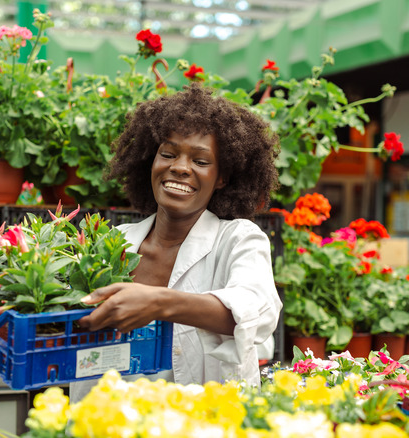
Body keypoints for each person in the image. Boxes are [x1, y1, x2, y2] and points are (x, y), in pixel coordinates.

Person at [72, 83, 281, 401]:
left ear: (221, 178)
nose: (180, 168)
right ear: (150, 163)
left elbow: (255, 311)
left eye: (201, 161)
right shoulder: (115, 242)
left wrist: (158, 303)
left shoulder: (239, 240)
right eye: (168, 154)